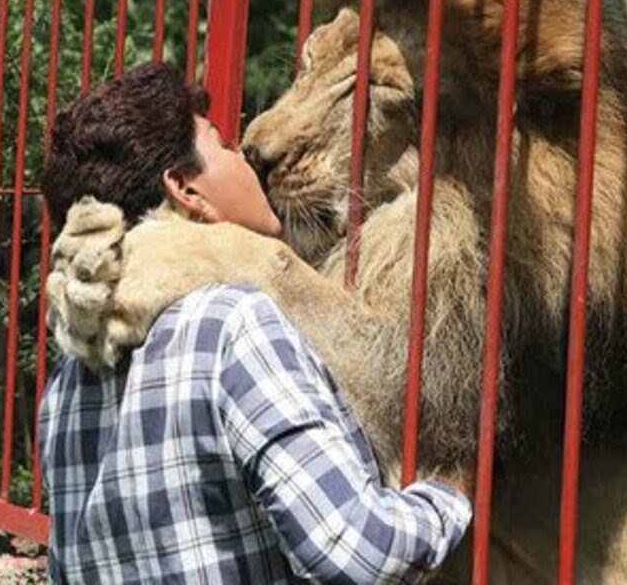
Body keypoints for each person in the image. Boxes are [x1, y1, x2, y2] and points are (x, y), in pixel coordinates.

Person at [37, 63, 472, 584]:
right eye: (223, 147)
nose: (251, 155)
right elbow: (357, 554)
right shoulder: (233, 325)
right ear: (185, 189)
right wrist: (448, 496)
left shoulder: (65, 384)